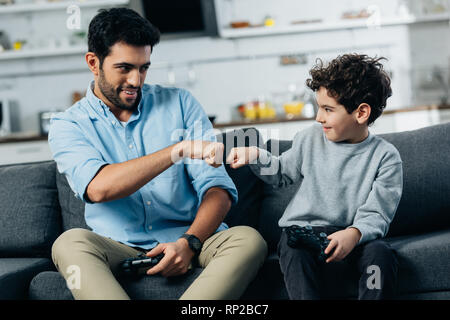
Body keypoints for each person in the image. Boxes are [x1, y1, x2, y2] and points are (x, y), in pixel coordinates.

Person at [48, 8, 267, 300]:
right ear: (93, 63)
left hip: (194, 237)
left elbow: (217, 189)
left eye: (143, 67)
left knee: (248, 240)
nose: (136, 80)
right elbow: (99, 188)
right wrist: (177, 150)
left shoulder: (180, 103)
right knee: (69, 243)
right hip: (118, 246)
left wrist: (189, 243)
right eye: (124, 68)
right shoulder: (68, 125)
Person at [225, 54, 403, 299]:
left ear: (361, 113)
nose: (319, 117)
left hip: (354, 236)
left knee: (380, 256)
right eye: (319, 107)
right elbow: (280, 173)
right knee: (291, 246)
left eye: (328, 109)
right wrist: (255, 155)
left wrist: (353, 234)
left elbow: (378, 211)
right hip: (304, 234)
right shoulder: (309, 138)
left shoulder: (386, 157)